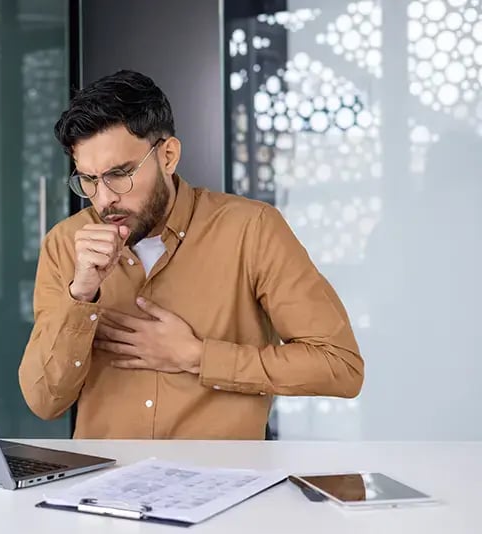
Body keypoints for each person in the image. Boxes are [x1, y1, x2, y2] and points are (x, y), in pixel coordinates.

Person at [18, 70, 363, 440]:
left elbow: (339, 366)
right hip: (103, 486)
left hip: (226, 488)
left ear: (168, 155)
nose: (104, 199)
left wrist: (198, 356)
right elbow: (44, 401)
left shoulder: (252, 229)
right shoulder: (65, 244)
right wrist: (81, 295)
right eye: (88, 179)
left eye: (120, 174)